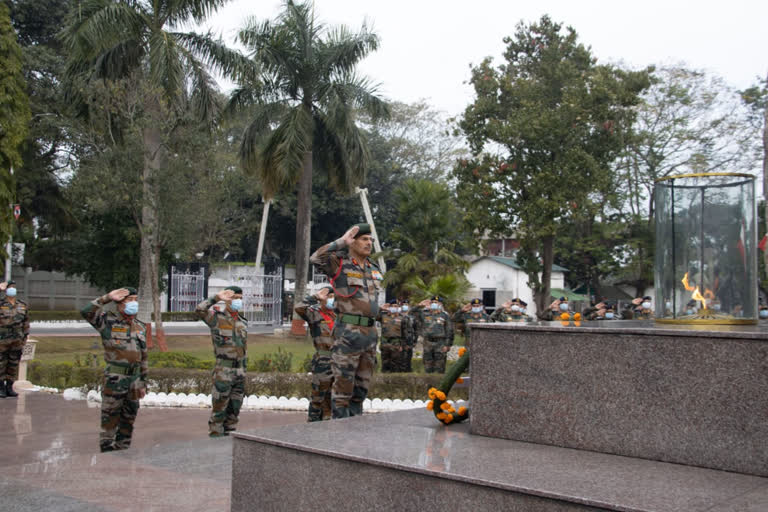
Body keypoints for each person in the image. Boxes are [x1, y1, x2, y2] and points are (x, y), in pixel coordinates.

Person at [310, 223, 383, 418]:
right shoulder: (340, 263)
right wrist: (341, 242)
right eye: (364, 239)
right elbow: (316, 258)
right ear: (353, 242)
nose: (369, 243)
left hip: (369, 335)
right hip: (348, 334)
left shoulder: (373, 268)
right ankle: (340, 433)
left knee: (361, 390)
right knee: (343, 390)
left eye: (371, 240)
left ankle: (355, 430)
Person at [81, 287, 147, 452]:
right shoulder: (108, 321)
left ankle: (123, 447)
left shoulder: (139, 326)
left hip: (134, 380)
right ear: (119, 303)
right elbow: (86, 312)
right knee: (110, 414)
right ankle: (107, 448)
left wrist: (143, 382)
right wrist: (107, 297)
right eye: (129, 300)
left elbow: (143, 357)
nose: (134, 303)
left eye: (135, 299)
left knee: (129, 415)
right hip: (115, 378)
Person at [196, 286, 248, 437]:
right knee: (219, 414)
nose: (237, 301)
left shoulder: (242, 322)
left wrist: (244, 373)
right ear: (227, 300)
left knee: (233, 414)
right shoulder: (216, 318)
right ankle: (215, 448)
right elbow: (199, 310)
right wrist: (216, 298)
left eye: (239, 298)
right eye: (234, 298)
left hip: (239, 372)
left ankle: (229, 445)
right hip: (223, 372)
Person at [294, 285, 336, 421]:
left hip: (339, 361)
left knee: (334, 397)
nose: (332, 300)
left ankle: (329, 424)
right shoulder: (314, 313)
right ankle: (313, 424)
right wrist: (314, 297)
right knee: (318, 396)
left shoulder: (339, 315)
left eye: (334, 297)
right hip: (323, 360)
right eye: (329, 297)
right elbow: (299, 308)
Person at [0, 281, 30, 399]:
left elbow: (26, 322)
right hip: (2, 341)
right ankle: (1, 387)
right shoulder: (1, 303)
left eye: (14, 288)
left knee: (13, 364)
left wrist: (25, 337)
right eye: (10, 288)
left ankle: (9, 387)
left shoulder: (22, 305)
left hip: (17, 341)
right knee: (1, 364)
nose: (12, 289)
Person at [416, 296, 454, 373]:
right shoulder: (424, 313)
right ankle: (429, 383)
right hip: (427, 342)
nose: (433, 304)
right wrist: (418, 306)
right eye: (432, 302)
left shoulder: (445, 315)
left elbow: (449, 330)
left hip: (440, 342)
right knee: (428, 365)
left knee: (440, 366)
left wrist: (447, 344)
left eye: (436, 303)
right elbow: (410, 314)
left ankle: (439, 383)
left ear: (440, 304)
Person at [377, 299, 415, 373]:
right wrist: (381, 308)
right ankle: (384, 382)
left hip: (396, 344)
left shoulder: (402, 318)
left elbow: (405, 334)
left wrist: (402, 345)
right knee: (385, 365)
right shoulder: (383, 316)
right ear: (390, 307)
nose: (395, 308)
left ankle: (394, 382)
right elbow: (374, 316)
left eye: (396, 306)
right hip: (385, 343)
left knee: (395, 365)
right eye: (393, 306)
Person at [400, 299, 416, 372]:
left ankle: (408, 373)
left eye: (406, 305)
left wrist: (414, 341)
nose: (405, 306)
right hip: (400, 342)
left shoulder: (413, 317)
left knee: (408, 360)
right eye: (403, 305)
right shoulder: (398, 316)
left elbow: (416, 329)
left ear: (409, 306)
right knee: (400, 360)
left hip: (410, 342)